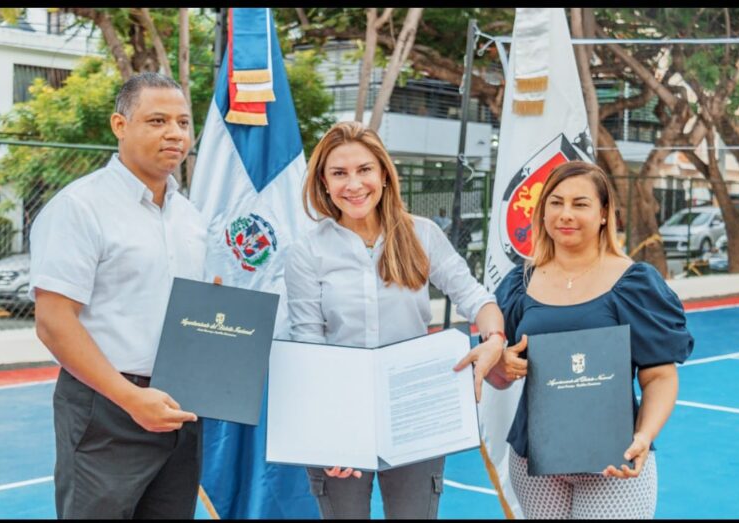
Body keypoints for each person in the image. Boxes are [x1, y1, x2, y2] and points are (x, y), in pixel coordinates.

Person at [285, 121, 506, 519]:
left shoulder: (422, 234)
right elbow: (308, 343)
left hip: (413, 407)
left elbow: (475, 298)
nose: (353, 184)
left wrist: (493, 339)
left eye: (364, 169)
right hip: (340, 408)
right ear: (323, 182)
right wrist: (324, 433)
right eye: (339, 173)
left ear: (384, 174)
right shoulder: (307, 251)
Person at [29, 72, 207, 519]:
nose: (175, 133)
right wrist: (130, 398)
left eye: (184, 123)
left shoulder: (190, 218)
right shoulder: (79, 207)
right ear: (120, 125)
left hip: (177, 406)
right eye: (157, 120)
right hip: (104, 409)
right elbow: (54, 321)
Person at [486, 160, 694, 519]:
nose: (566, 214)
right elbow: (497, 375)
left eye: (580, 204)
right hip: (534, 460)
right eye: (556, 202)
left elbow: (659, 375)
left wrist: (643, 437)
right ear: (542, 211)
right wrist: (500, 365)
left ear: (603, 214)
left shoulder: (635, 283)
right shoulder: (519, 283)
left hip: (614, 460)